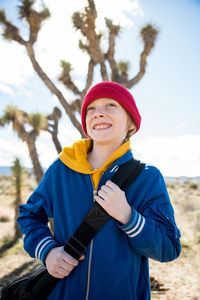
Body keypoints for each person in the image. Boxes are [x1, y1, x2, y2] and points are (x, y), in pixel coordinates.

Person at [18, 81, 181, 300]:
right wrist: (47, 251)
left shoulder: (147, 178)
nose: (98, 113)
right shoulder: (62, 170)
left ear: (131, 123)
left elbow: (169, 247)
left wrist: (128, 216)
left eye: (110, 105)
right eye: (91, 109)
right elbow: (30, 215)